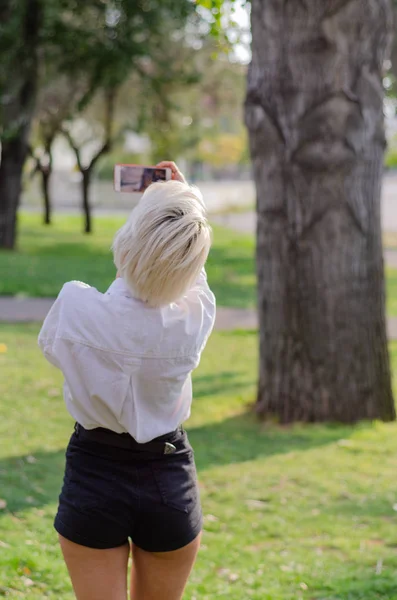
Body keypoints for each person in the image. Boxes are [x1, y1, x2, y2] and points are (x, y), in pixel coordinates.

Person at [38, 161, 216, 600]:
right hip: (167, 473)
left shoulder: (77, 306)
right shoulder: (194, 319)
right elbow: (189, 273)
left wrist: (152, 218)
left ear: (130, 238)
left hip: (94, 469)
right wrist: (182, 201)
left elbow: (53, 347)